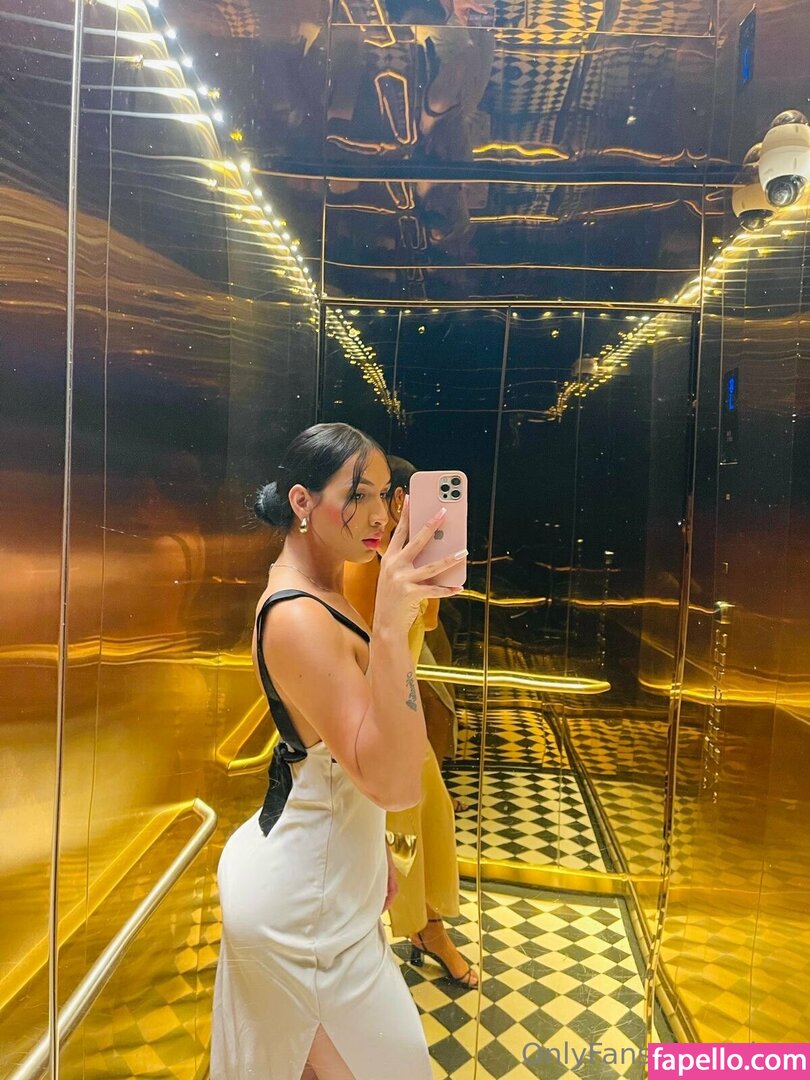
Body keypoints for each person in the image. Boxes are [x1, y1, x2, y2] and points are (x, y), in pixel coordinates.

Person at [210, 422, 467, 1080]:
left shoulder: (329, 591)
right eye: (357, 494)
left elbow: (343, 759)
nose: (379, 514)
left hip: (323, 890)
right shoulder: (299, 616)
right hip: (305, 918)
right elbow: (396, 784)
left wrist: (367, 852)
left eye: (385, 494)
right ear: (301, 502)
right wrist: (392, 627)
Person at [343, 457, 479, 988]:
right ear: (401, 500)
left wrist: (432, 571)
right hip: (380, 722)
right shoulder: (365, 565)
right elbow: (365, 658)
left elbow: (429, 622)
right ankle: (423, 928)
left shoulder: (398, 563)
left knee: (429, 818)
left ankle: (425, 924)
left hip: (406, 717)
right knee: (405, 830)